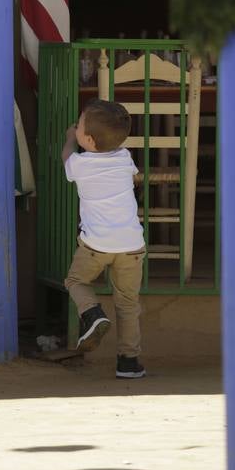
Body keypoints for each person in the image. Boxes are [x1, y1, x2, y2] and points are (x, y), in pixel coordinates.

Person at [62, 99, 146, 379]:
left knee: (75, 281)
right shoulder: (125, 158)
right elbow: (134, 178)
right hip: (131, 245)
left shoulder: (79, 163)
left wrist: (68, 140)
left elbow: (66, 159)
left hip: (96, 245)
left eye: (80, 124)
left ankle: (92, 312)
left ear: (87, 138)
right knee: (127, 304)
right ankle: (129, 362)